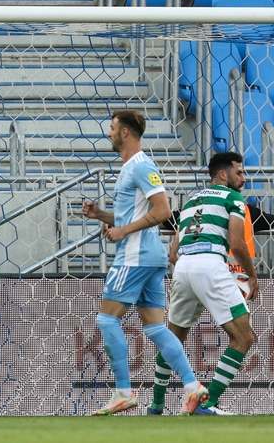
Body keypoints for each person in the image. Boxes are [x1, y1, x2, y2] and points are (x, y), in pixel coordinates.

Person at [81, 110, 208, 416]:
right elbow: (134, 215)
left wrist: (123, 231)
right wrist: (102, 216)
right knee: (154, 327)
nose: (108, 133)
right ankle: (193, 388)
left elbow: (163, 210)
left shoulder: (140, 165)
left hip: (135, 256)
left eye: (112, 128)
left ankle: (123, 393)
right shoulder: (130, 168)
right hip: (151, 257)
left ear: (125, 132)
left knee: (107, 320)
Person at [148, 152, 258, 416]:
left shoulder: (190, 203)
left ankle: (156, 406)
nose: (243, 178)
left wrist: (191, 272)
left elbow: (172, 255)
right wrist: (251, 275)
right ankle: (207, 404)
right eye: (239, 172)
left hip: (183, 267)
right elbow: (236, 244)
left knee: (173, 340)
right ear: (223, 174)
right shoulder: (233, 198)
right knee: (244, 337)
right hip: (210, 264)